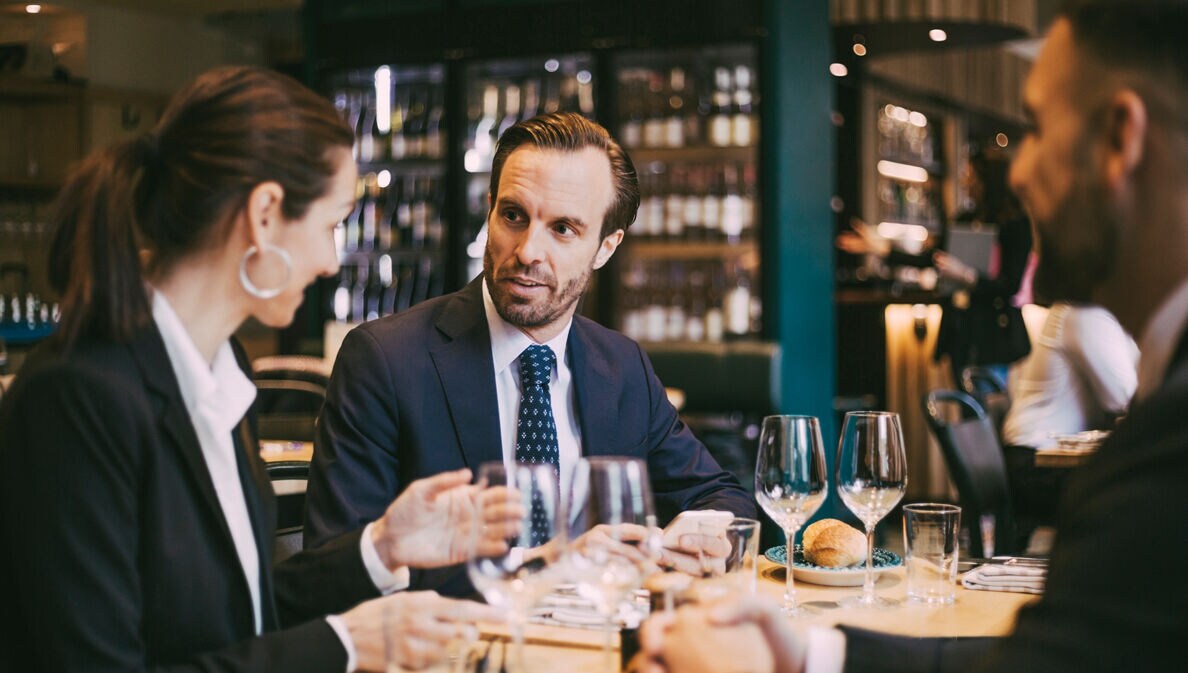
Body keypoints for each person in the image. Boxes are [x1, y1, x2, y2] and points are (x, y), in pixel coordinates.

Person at [641, 1, 1188, 671]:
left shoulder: (1166, 447)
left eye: (1040, 127)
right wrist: (809, 651)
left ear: (1119, 139)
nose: (1017, 170)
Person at [0, 66, 517, 673]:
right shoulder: (73, 397)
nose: (330, 261)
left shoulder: (223, 370)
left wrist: (379, 549)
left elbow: (238, 614)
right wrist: (349, 644)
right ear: (265, 214)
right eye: (329, 225)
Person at [305, 112, 755, 594]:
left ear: (606, 246)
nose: (526, 252)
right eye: (513, 216)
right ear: (490, 211)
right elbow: (338, 568)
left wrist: (704, 537)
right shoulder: (386, 361)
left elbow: (724, 499)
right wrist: (547, 567)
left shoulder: (621, 365)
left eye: (563, 228)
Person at [838, 151, 1034, 381]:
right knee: (967, 408)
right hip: (960, 332)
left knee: (991, 407)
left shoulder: (1015, 225)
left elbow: (1011, 285)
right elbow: (930, 258)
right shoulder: (965, 218)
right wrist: (882, 248)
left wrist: (965, 275)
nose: (965, 182)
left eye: (971, 176)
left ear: (988, 180)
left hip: (995, 336)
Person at [1001, 301, 1138, 537]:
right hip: (1034, 465)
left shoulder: (1100, 315)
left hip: (1041, 461)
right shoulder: (1083, 313)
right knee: (1145, 495)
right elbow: (1126, 397)